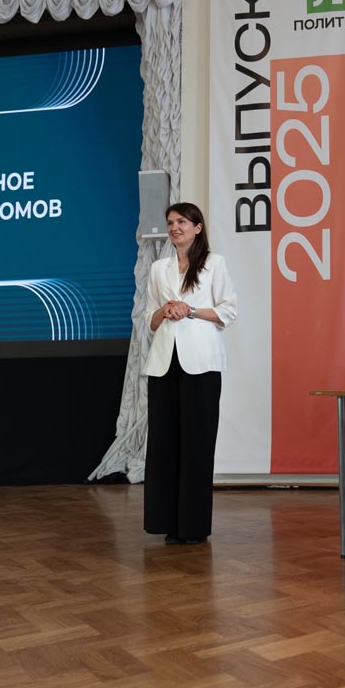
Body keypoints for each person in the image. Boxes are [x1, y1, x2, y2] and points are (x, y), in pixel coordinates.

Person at [142, 202, 237, 544]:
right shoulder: (159, 268)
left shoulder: (214, 263)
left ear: (197, 227)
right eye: (170, 222)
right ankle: (167, 523)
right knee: (164, 444)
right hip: (164, 364)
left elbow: (229, 310)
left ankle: (193, 526)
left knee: (197, 443)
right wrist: (166, 310)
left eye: (182, 221)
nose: (174, 227)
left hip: (202, 364)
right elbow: (149, 319)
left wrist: (191, 310)